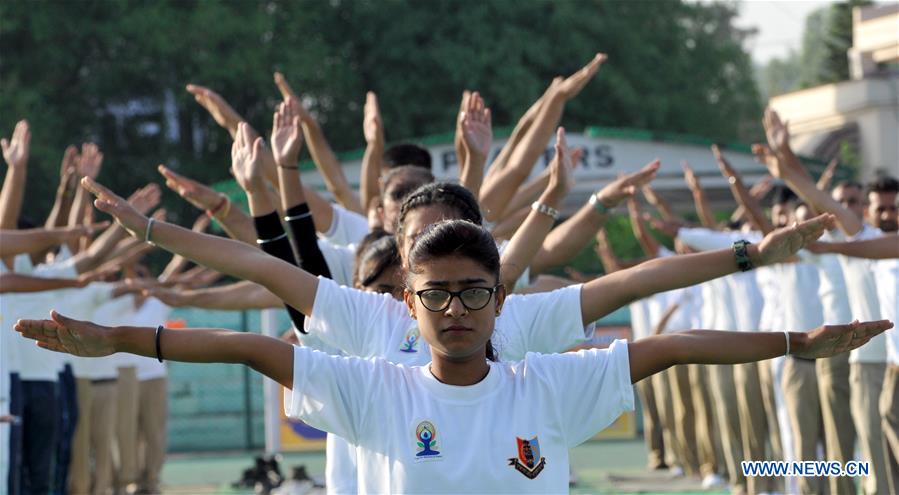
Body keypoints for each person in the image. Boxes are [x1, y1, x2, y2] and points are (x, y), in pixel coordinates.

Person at [15, 218, 892, 493]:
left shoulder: (543, 368)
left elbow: (657, 326)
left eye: (474, 292)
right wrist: (123, 325)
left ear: (500, 298)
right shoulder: (369, 364)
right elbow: (250, 318)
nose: (454, 309)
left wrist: (789, 332)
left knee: (816, 451)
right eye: (432, 292)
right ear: (405, 296)